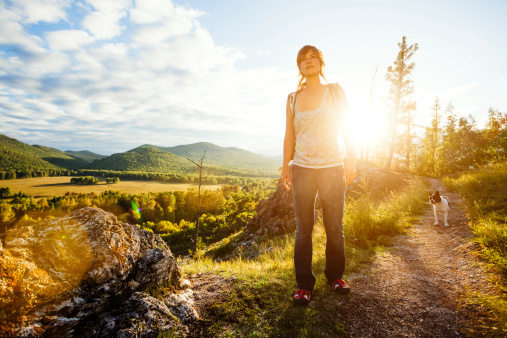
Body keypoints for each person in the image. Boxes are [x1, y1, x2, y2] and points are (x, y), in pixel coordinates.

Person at [281, 45, 356, 306]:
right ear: (299, 66)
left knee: (334, 227)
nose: (308, 61)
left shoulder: (335, 91)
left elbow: (348, 127)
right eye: (303, 58)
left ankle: (335, 276)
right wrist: (285, 168)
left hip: (332, 167)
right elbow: (289, 135)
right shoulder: (292, 98)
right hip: (301, 168)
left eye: (313, 57)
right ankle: (304, 285)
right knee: (304, 229)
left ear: (321, 63)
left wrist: (351, 161)